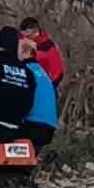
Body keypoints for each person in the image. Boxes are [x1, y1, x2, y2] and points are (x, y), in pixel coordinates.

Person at [19, 33, 59, 161]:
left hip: (33, 126)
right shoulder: (42, 72)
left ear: (24, 51)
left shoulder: (23, 71)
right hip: (49, 127)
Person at [19, 17, 66, 86]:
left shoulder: (46, 46)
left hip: (46, 84)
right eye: (23, 35)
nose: (25, 37)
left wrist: (48, 87)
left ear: (35, 31)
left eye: (27, 34)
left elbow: (58, 72)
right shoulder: (27, 42)